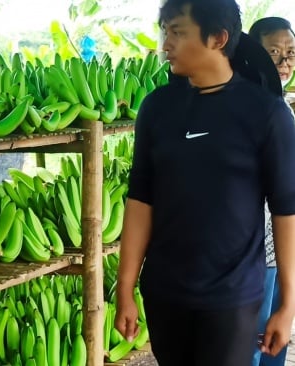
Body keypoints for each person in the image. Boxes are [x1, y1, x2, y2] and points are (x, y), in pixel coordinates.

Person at [114, 0, 295, 365]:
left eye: (178, 32)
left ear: (218, 38)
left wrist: (288, 302)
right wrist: (126, 287)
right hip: (165, 292)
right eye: (165, 32)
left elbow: (286, 208)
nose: (166, 44)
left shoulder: (267, 113)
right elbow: (140, 200)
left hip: (232, 297)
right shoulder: (156, 109)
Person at [248, 16, 295, 366]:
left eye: (291, 52)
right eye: (274, 52)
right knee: (255, 343)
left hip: (282, 250)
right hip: (257, 251)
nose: (284, 62)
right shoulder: (254, 107)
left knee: (274, 343)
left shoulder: (282, 106)